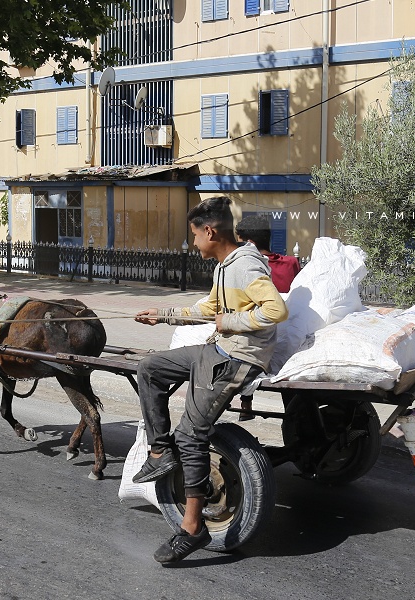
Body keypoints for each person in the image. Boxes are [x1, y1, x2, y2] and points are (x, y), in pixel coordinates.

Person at [133, 196, 288, 563]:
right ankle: (158, 453)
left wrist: (230, 323)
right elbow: (211, 308)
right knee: (149, 368)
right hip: (216, 349)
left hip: (238, 357)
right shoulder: (224, 265)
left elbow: (276, 309)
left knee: (190, 434)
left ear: (210, 231)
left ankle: (192, 528)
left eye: (194, 236)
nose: (192, 243)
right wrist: (164, 314)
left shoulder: (245, 264)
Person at [233, 213, 301, 420]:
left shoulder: (246, 267)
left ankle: (246, 403)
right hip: (292, 332)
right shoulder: (290, 263)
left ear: (249, 243)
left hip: (263, 334)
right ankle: (294, 415)